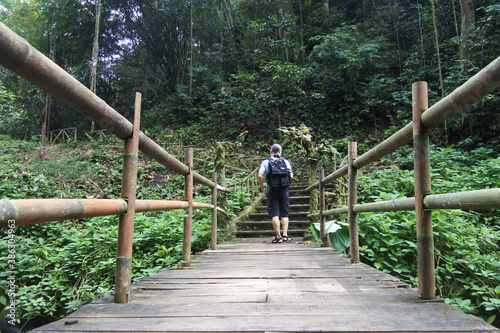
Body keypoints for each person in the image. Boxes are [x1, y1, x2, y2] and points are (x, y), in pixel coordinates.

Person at [258, 144, 293, 243]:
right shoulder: (285, 161)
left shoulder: (266, 162)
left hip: (272, 189)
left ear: (271, 152)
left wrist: (263, 189)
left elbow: (260, 176)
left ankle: (278, 237)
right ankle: (285, 235)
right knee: (285, 213)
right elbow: (291, 176)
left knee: (275, 213)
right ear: (280, 152)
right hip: (283, 189)